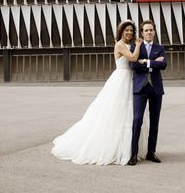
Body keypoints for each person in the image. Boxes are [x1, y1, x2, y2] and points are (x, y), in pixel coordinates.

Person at [52, 20, 145, 165]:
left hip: (131, 79)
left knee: (129, 113)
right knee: (114, 112)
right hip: (121, 79)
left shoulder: (131, 45)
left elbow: (137, 59)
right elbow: (133, 57)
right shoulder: (120, 44)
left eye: (131, 30)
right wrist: (139, 45)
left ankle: (129, 149)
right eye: (126, 30)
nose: (129, 33)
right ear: (121, 32)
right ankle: (113, 149)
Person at [129, 19, 168, 165]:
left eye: (151, 30)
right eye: (146, 30)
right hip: (140, 88)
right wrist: (153, 63)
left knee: (155, 122)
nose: (149, 32)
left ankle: (151, 152)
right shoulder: (136, 46)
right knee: (137, 120)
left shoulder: (160, 47)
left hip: (156, 89)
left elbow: (163, 65)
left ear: (154, 31)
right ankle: (133, 153)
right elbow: (133, 65)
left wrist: (145, 62)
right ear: (142, 32)